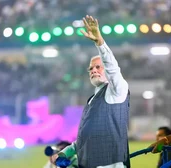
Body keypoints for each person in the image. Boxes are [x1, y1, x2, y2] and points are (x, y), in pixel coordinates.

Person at [51, 15, 130, 168]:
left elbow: (112, 68)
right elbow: (85, 138)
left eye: (98, 67)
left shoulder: (117, 91)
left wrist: (100, 43)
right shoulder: (93, 99)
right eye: (91, 68)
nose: (93, 70)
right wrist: (65, 152)